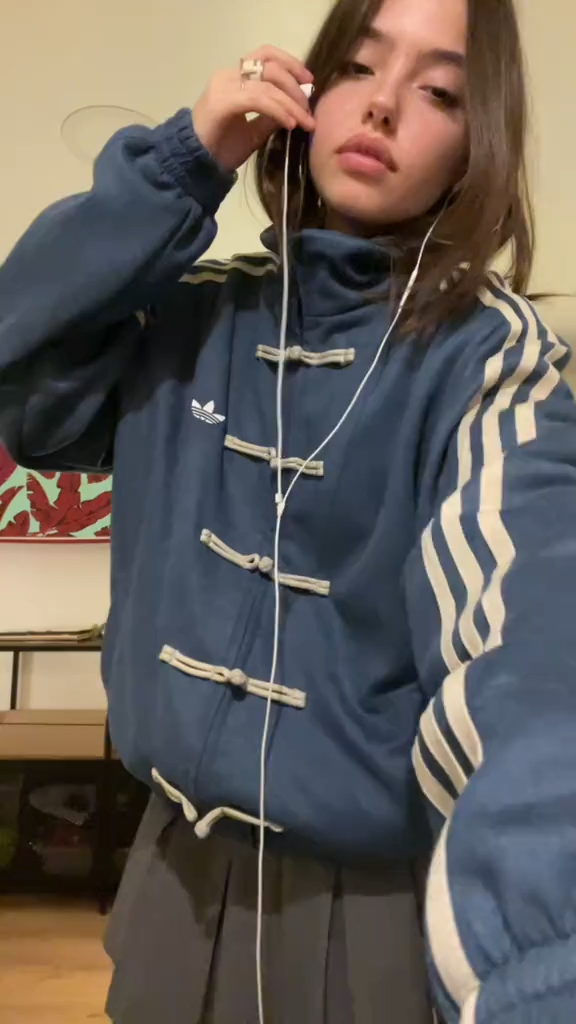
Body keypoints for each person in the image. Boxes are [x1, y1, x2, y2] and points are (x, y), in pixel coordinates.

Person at [1, 0, 575, 1020]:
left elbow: (527, 653)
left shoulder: (493, 364)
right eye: (358, 66)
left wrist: (540, 967)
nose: (384, 106)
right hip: (169, 884)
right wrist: (183, 165)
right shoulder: (193, 318)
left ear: (474, 147)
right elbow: (27, 377)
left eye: (440, 92)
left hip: (376, 919)